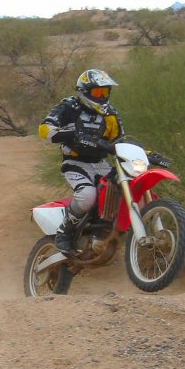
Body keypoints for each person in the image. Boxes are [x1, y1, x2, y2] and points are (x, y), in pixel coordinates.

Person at [38, 68, 124, 254]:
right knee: (87, 196)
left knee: (125, 187)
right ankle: (64, 232)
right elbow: (44, 129)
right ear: (84, 92)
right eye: (97, 92)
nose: (102, 96)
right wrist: (69, 135)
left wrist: (145, 153)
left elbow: (120, 142)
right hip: (75, 163)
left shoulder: (110, 115)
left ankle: (106, 230)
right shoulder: (70, 107)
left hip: (101, 164)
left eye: (105, 92)